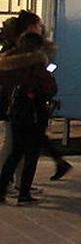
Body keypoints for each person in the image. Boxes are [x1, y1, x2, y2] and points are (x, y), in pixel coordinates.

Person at [0, 32, 57, 205]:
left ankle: (1, 190)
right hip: (34, 112)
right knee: (31, 154)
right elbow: (50, 87)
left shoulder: (7, 62)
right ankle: (24, 193)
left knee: (15, 153)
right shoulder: (36, 64)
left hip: (15, 110)